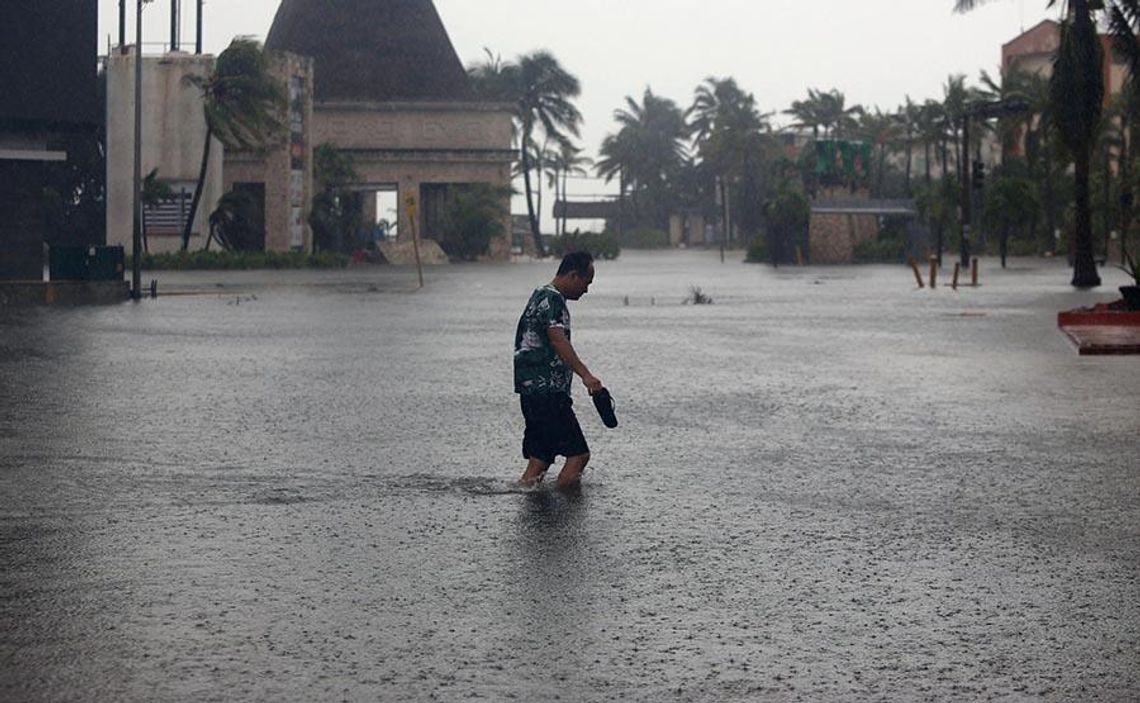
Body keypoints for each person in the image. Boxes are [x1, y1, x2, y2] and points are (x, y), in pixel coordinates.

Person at [514, 251, 603, 489]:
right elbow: (558, 340)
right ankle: (565, 520)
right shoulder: (553, 301)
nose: (586, 290)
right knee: (579, 456)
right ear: (574, 276)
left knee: (540, 459)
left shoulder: (539, 295)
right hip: (548, 394)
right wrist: (586, 375)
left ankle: (532, 508)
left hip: (530, 392)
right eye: (586, 283)